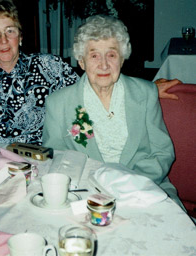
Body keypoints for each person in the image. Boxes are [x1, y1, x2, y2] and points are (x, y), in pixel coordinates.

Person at [42, 15, 183, 207]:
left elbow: (162, 152)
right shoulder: (58, 103)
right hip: (86, 194)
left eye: (111, 54)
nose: (103, 64)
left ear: (122, 59)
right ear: (81, 62)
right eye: (94, 55)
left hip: (145, 189)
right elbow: (56, 160)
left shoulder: (145, 93)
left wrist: (129, 184)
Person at [0, 0, 80, 144]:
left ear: (20, 37)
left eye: (10, 31)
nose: (3, 40)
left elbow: (82, 106)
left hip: (41, 156)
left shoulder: (51, 67)